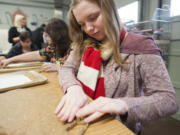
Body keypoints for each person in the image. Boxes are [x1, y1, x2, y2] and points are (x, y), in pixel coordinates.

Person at [54, 0, 179, 134]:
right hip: (82, 123)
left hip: (118, 129)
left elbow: (168, 100)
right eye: (82, 24)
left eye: (93, 18)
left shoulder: (141, 47)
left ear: (110, 10)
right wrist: (73, 88)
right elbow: (67, 68)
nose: (88, 28)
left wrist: (123, 104)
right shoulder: (84, 44)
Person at [0, 18, 71, 72]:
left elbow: (76, 70)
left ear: (57, 35)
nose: (46, 39)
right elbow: (37, 54)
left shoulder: (73, 48)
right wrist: (9, 60)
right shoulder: (53, 47)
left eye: (48, 36)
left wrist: (59, 68)